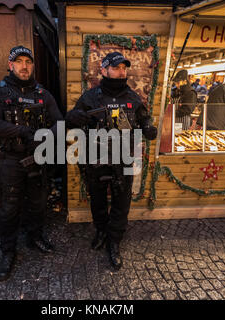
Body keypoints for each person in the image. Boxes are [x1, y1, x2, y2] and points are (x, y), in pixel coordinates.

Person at [65, 52, 157, 270]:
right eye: (116, 68)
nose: (121, 71)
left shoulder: (133, 98)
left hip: (123, 158)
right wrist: (73, 117)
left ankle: (114, 241)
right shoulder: (90, 97)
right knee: (97, 198)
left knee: (121, 201)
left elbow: (144, 117)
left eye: (124, 68)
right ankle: (100, 231)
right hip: (95, 157)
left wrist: (148, 127)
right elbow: (72, 118)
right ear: (104, 71)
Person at [0, 46, 63, 282]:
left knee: (38, 203)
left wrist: (45, 136)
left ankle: (34, 237)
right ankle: (7, 251)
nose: (24, 66)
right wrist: (22, 131)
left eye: (28, 61)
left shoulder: (43, 94)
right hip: (12, 159)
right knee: (9, 208)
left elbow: (60, 123)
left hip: (38, 158)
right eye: (18, 61)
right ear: (10, 65)